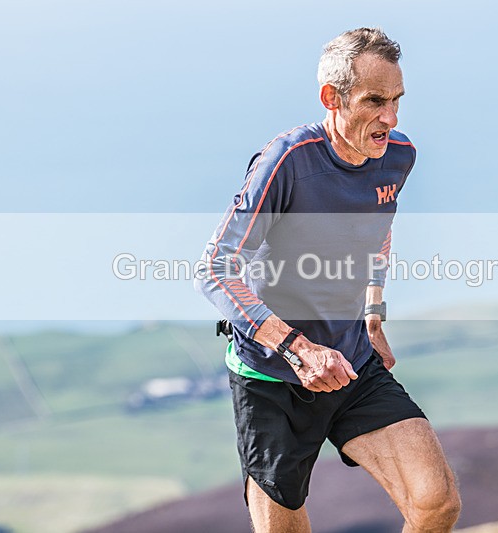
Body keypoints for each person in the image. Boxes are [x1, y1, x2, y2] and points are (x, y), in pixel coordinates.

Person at [195, 27, 461, 533]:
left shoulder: (398, 156)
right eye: (375, 101)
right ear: (331, 98)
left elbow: (377, 229)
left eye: (398, 100)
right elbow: (215, 268)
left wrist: (373, 312)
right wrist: (297, 347)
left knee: (436, 503)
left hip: (352, 362)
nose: (391, 118)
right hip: (271, 376)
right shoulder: (288, 161)